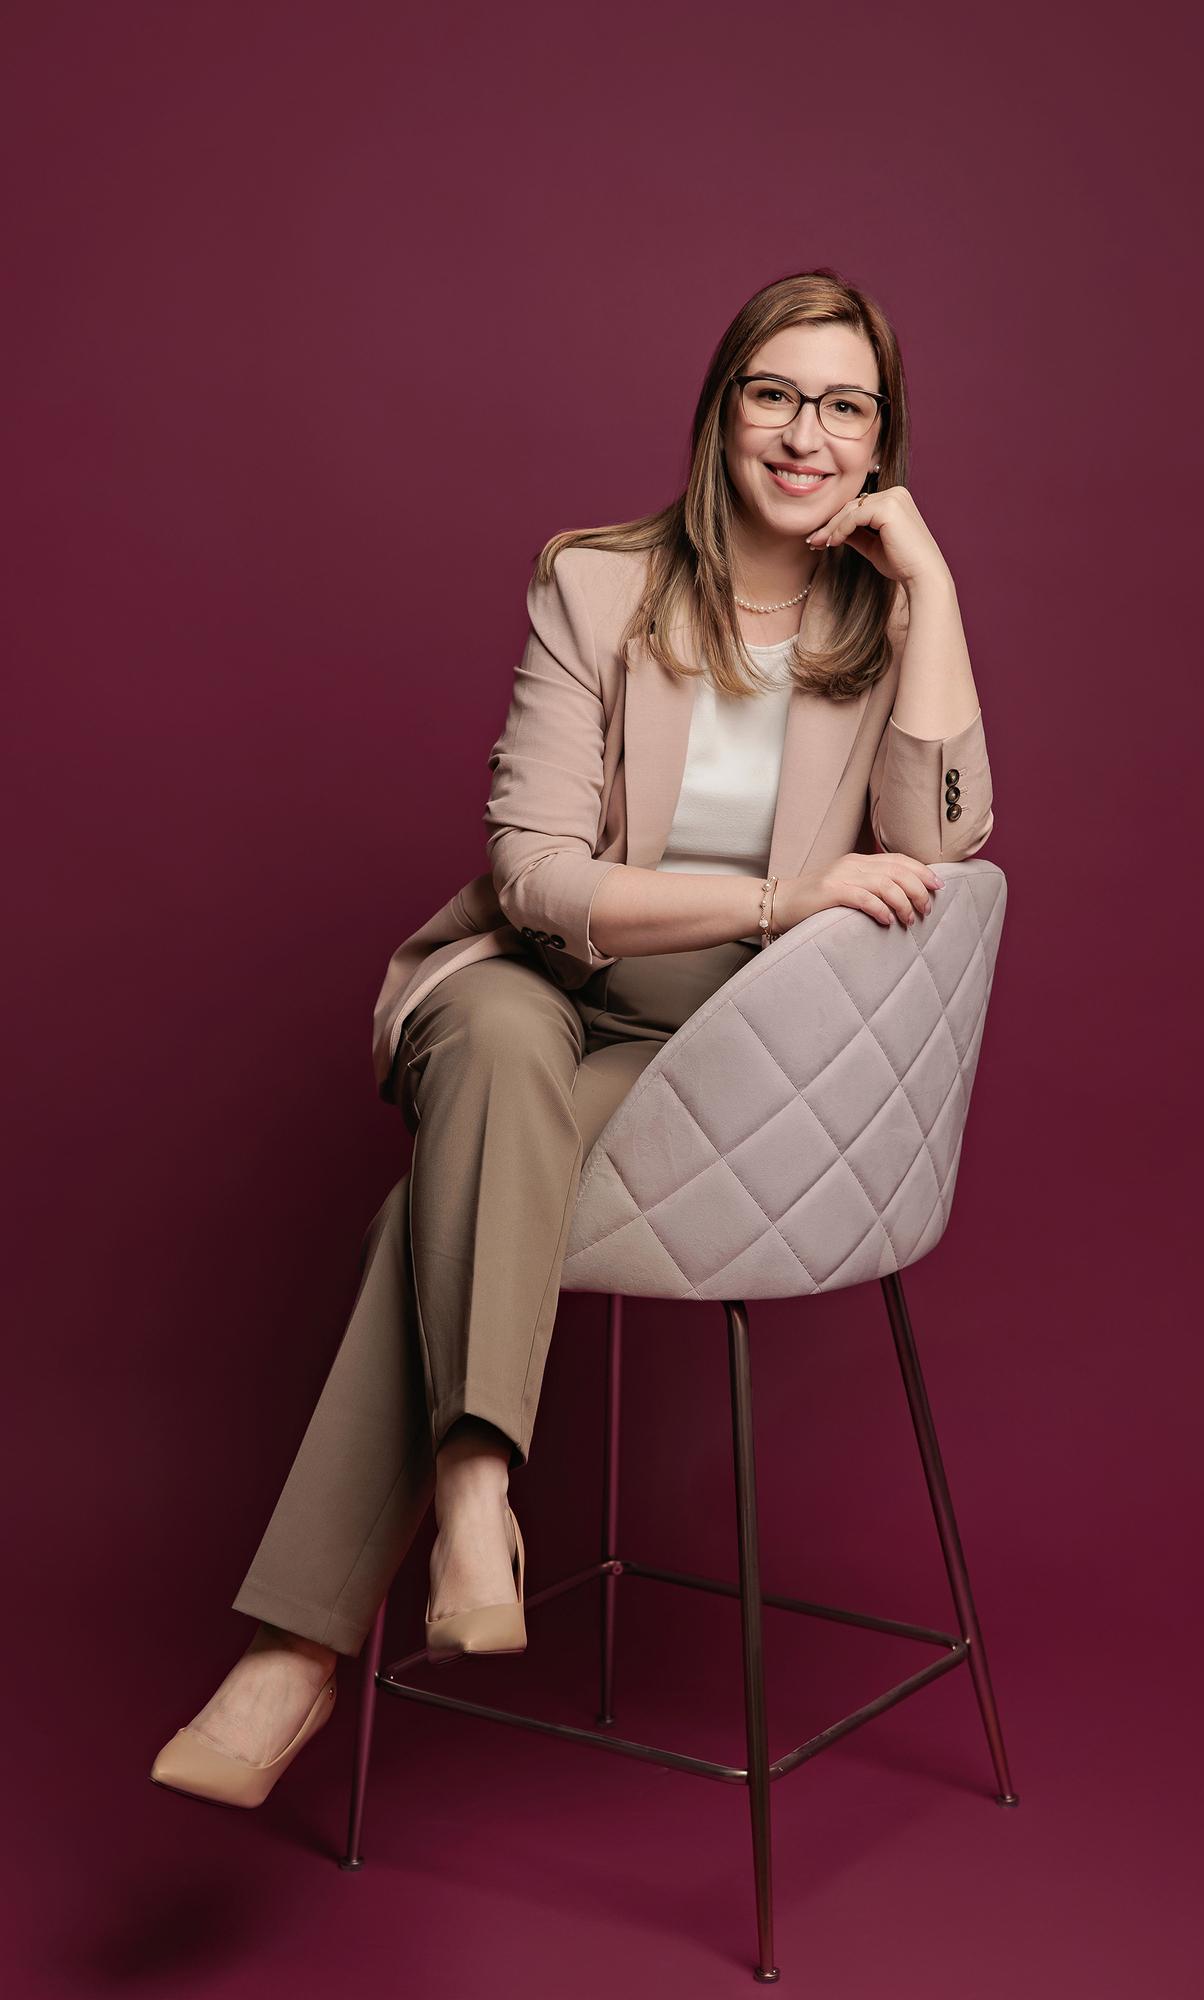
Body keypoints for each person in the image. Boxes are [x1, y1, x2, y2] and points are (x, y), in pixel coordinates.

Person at [149, 265, 995, 1808]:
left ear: (881, 440)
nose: (805, 433)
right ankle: (469, 1499)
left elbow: (949, 832)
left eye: (844, 406)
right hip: (537, 984)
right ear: (719, 408)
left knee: (435, 1215)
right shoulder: (594, 584)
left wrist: (929, 585)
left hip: (714, 1060)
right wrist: (779, 894)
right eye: (774, 394)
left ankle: (318, 1635)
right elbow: (534, 879)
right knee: (485, 1029)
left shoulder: (883, 623)